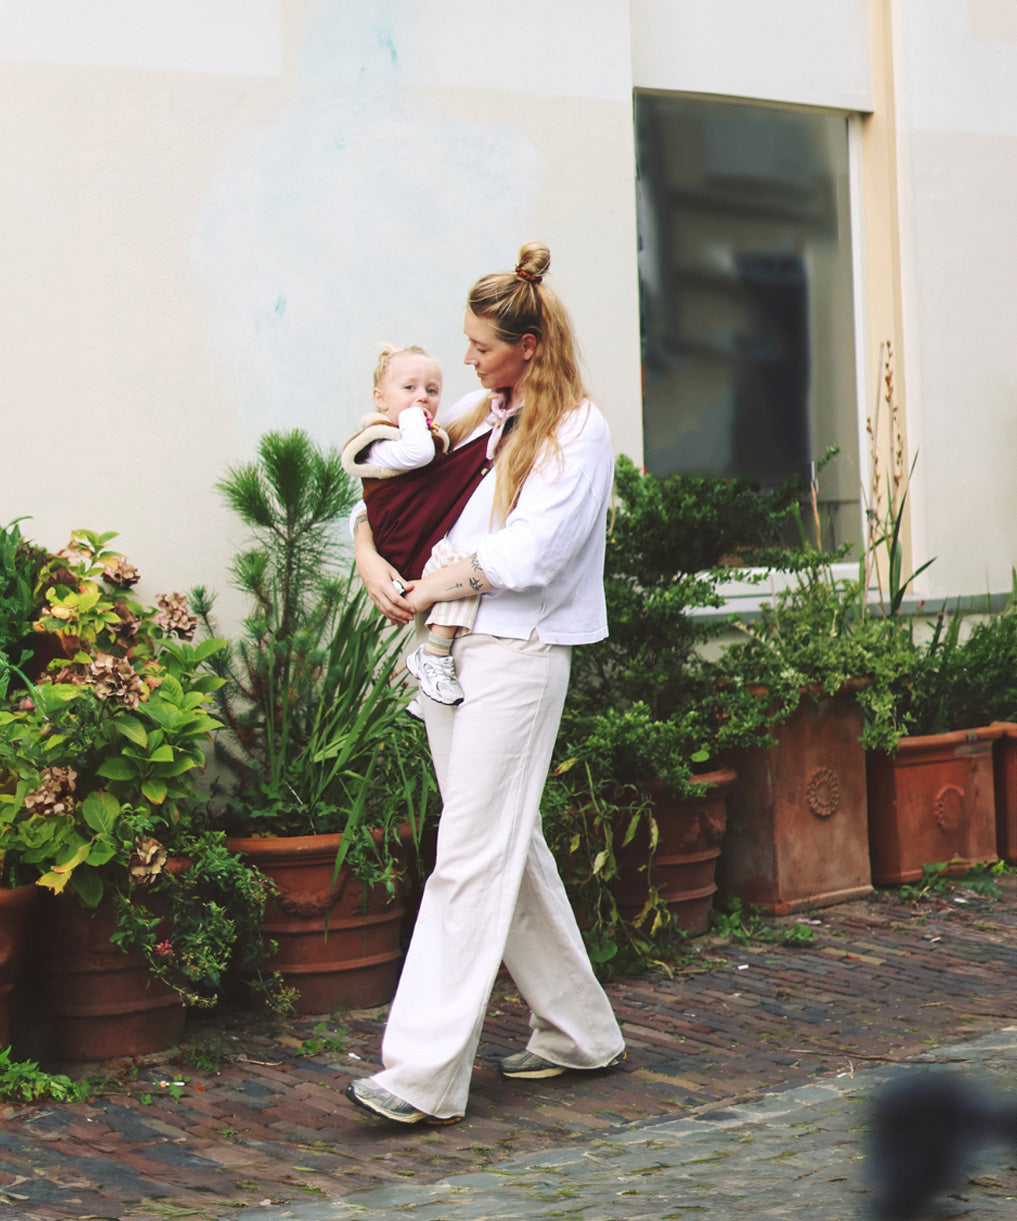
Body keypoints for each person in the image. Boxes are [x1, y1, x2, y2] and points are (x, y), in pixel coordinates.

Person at [345, 241, 626, 1125]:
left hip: (519, 651)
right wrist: (368, 564)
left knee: (468, 851)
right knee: (508, 842)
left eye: (481, 344)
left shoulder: (578, 432)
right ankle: (580, 1033)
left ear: (529, 346)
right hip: (447, 649)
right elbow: (384, 494)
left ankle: (421, 1075)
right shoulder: (482, 412)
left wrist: (430, 582)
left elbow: (531, 557)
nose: (464, 358)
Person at [341, 344, 481, 709]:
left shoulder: (423, 436)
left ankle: (426, 684)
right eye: (409, 388)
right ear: (380, 399)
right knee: (456, 569)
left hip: (414, 534)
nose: (423, 397)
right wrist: (415, 420)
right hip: (396, 538)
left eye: (432, 391)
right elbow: (417, 458)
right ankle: (433, 658)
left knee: (458, 576)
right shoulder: (381, 441)